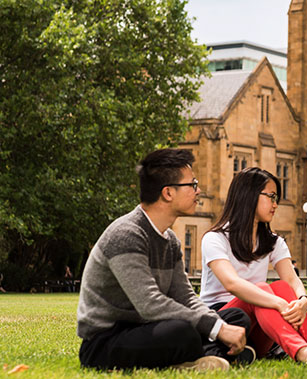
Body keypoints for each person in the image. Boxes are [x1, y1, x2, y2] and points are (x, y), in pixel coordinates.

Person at [76, 149, 249, 371]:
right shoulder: (126, 234)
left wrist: (219, 325)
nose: (199, 191)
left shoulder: (171, 242)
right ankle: (210, 354)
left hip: (149, 328)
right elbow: (150, 304)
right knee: (182, 331)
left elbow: (185, 296)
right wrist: (216, 330)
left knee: (235, 317)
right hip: (106, 341)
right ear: (168, 193)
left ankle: (198, 359)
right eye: (192, 185)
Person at [200, 167, 307, 364]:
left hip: (261, 326)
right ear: (249, 196)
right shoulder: (215, 238)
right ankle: (306, 353)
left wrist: (303, 300)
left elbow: (291, 279)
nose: (276, 204)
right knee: (263, 289)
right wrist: (277, 302)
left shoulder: (273, 241)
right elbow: (232, 284)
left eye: (276, 198)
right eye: (270, 197)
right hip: (223, 323)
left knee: (280, 287)